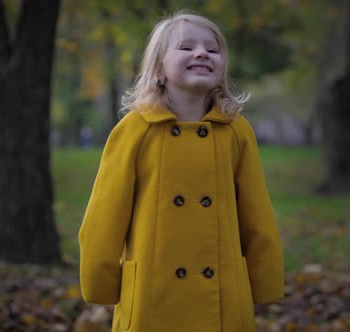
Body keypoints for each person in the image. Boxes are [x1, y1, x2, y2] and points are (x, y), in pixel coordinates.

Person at [78, 11, 284, 332]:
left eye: (212, 49)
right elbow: (104, 216)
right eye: (186, 47)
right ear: (159, 68)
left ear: (223, 67)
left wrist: (264, 278)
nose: (201, 53)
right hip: (153, 293)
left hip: (221, 296)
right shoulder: (135, 129)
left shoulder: (236, 131)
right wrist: (100, 281)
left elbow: (257, 214)